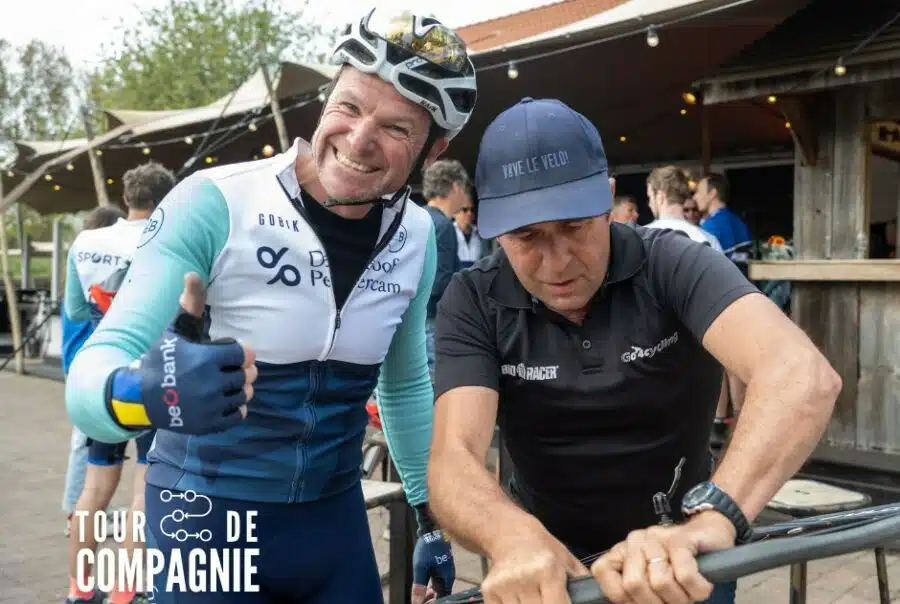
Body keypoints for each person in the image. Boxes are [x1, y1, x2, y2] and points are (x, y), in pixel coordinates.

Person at [65, 9, 477, 604]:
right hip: (207, 526)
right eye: (349, 106)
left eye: (395, 127)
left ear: (432, 150)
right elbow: (91, 374)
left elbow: (406, 384)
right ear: (326, 98)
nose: (359, 139)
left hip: (333, 528)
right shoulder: (216, 203)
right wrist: (143, 395)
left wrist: (428, 515)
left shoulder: (416, 236)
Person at [426, 97, 842, 604]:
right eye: (525, 236)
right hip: (546, 564)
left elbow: (800, 374)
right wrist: (508, 535)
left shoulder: (672, 264)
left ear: (607, 198)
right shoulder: (474, 298)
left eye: (574, 226)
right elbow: (452, 457)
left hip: (684, 552)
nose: (557, 263)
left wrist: (715, 517)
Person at [64, 163, 176, 604]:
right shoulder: (167, 239)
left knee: (94, 487)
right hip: (150, 377)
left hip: (100, 375)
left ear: (128, 198)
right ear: (165, 201)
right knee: (143, 493)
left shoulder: (86, 242)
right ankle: (124, 594)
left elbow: (76, 311)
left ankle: (79, 590)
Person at [61, 205, 127, 539]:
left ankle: (83, 509)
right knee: (84, 440)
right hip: (89, 367)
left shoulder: (84, 273)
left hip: (82, 366)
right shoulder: (95, 286)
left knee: (87, 441)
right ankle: (74, 511)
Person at [422, 159, 468, 376]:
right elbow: (439, 281)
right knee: (434, 379)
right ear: (456, 187)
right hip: (433, 320)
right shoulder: (443, 226)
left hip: (414, 319)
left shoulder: (418, 218)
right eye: (465, 190)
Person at [644, 165, 722, 251]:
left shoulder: (642, 238)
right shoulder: (708, 239)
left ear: (660, 197)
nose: (649, 204)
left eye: (650, 197)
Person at [453, 202, 489, 269]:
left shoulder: (480, 233)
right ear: (455, 213)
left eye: (472, 210)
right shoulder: (449, 231)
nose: (469, 213)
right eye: (465, 210)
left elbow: (486, 258)